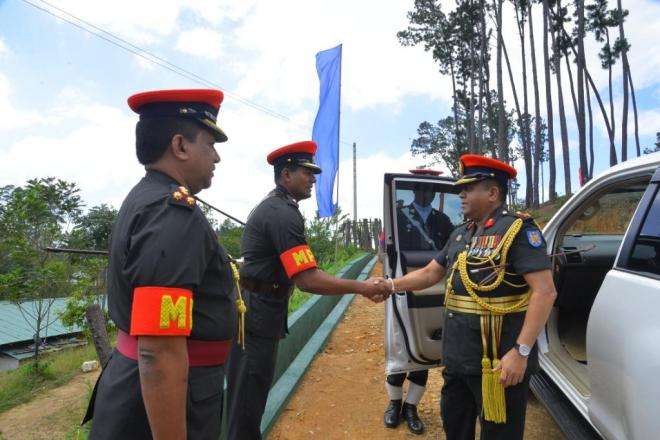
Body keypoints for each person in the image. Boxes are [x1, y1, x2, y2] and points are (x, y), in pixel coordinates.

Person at [82, 89, 237, 440]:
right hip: (168, 402)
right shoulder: (171, 212)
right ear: (180, 146)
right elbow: (159, 351)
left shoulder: (149, 197)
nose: (216, 157)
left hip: (152, 392)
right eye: (210, 144)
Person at [373, 154, 557, 440]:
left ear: (493, 193)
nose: (461, 194)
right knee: (456, 428)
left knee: (499, 434)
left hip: (498, 362)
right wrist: (390, 285)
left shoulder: (517, 230)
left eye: (469, 188)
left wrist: (520, 353)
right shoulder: (460, 233)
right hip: (458, 359)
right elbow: (431, 273)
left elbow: (545, 292)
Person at [226, 140, 391, 440]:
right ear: (286, 175)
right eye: (307, 172)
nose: (314, 179)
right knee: (248, 403)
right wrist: (362, 287)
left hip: (260, 311)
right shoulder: (281, 213)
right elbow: (308, 280)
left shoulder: (278, 207)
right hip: (257, 317)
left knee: (250, 399)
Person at [384, 182, 455, 435]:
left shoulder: (444, 220)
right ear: (414, 192)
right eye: (421, 191)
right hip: (404, 284)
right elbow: (388, 251)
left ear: (434, 194)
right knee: (400, 345)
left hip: (433, 287)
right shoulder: (398, 216)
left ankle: (411, 407)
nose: (425, 195)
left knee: (423, 349)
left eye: (429, 191)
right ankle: (394, 404)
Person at [397, 182, 454, 251]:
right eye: (424, 189)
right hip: (403, 261)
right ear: (414, 190)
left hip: (438, 261)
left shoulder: (443, 219)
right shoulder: (399, 215)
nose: (428, 194)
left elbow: (453, 244)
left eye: (432, 190)